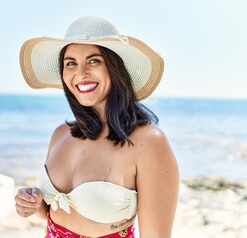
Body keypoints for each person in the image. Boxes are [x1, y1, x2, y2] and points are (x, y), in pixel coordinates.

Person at [15, 16, 179, 238]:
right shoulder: (61, 134)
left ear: (115, 68)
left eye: (94, 61)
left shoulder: (148, 141)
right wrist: (33, 204)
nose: (80, 74)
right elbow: (54, 213)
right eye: (70, 63)